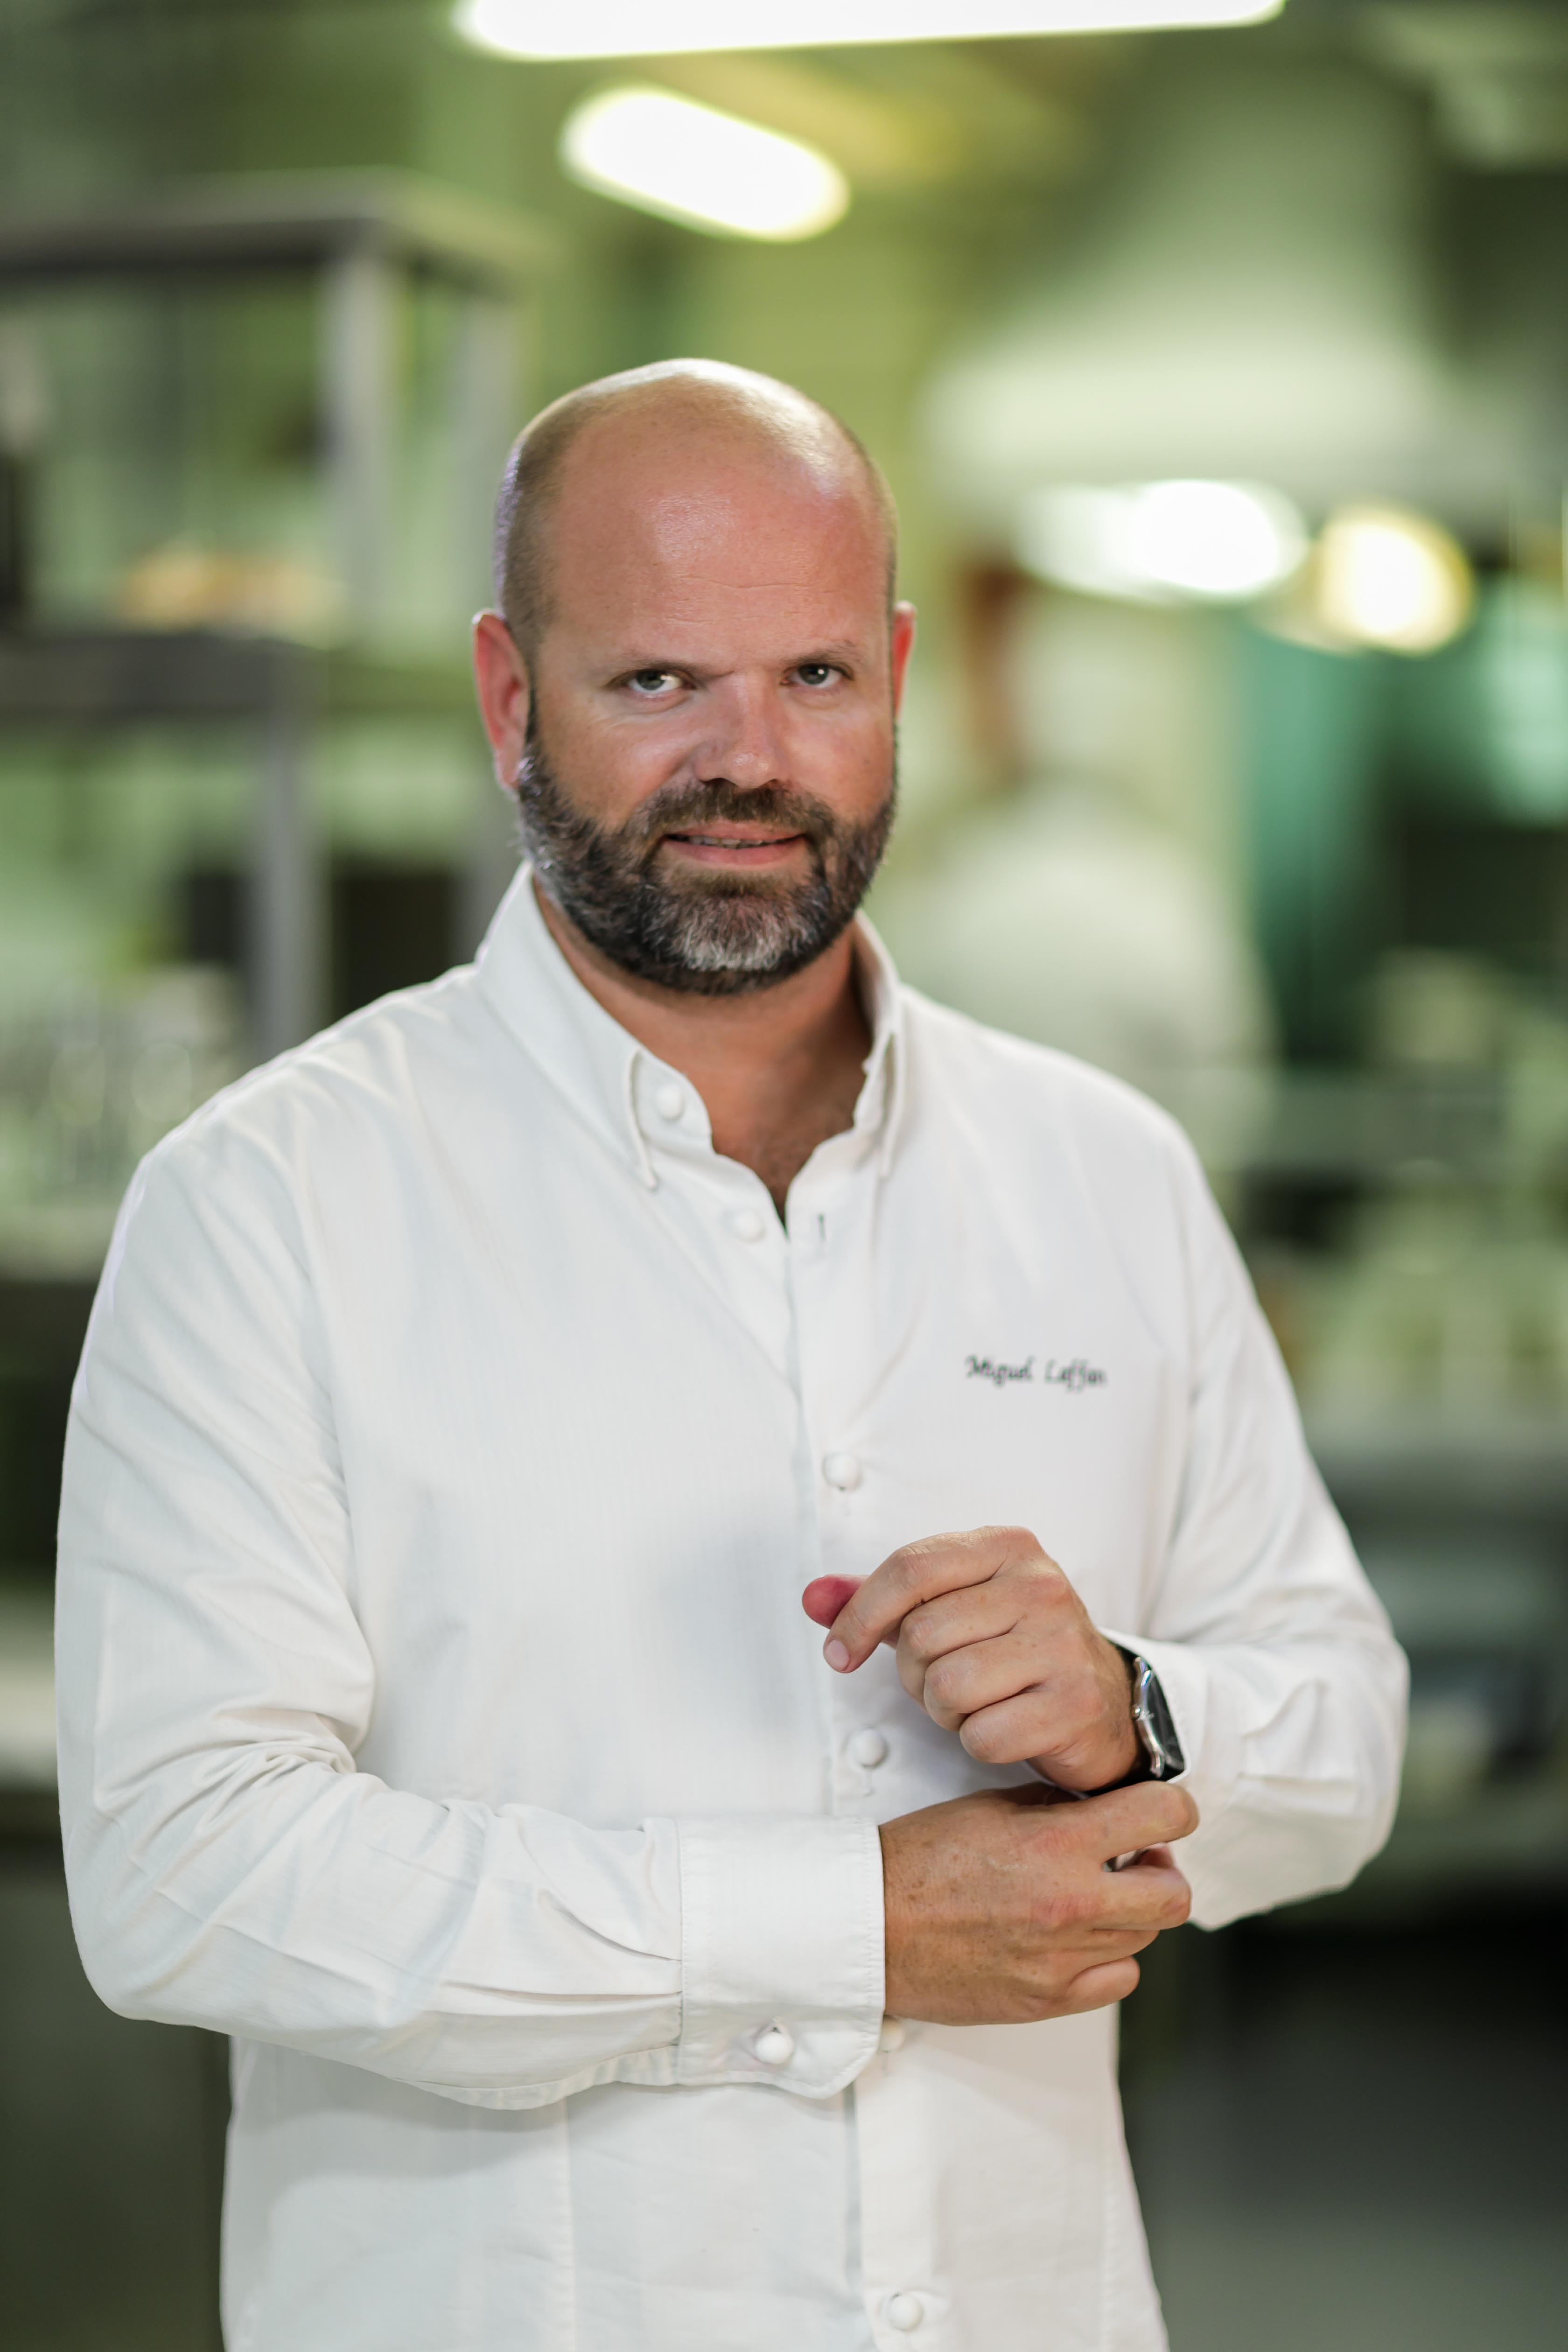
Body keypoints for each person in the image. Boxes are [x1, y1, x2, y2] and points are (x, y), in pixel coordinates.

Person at [56, 360, 1405, 2352]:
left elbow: (1345, 1738)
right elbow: (186, 1872)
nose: (750, 761)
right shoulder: (272, 1203)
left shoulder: (1101, 1172)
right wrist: (852, 1930)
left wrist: (1133, 1708)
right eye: (659, 682)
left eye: (817, 677)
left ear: (900, 675)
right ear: (511, 696)